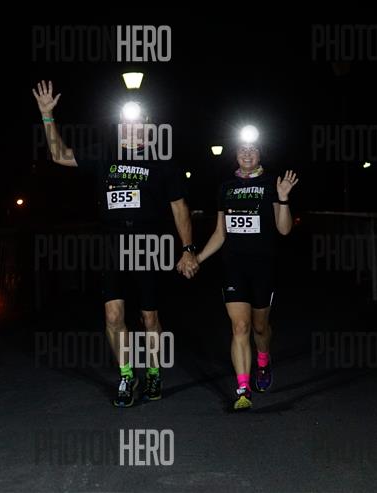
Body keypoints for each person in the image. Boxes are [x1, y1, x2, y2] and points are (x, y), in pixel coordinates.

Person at [32, 80, 199, 407]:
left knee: (149, 318)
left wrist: (188, 249)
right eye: (125, 123)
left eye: (137, 124)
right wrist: (47, 115)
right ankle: (126, 376)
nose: (131, 129)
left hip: (148, 243)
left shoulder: (162, 162)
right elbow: (59, 155)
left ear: (148, 127)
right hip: (112, 242)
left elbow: (180, 208)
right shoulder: (105, 154)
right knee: (112, 315)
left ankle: (153, 372)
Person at [194, 135, 298, 410]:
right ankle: (243, 388)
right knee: (240, 326)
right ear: (236, 154)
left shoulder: (272, 183)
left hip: (263, 265)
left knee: (260, 327)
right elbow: (220, 233)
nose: (248, 153)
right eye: (243, 149)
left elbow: (284, 229)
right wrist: (198, 258)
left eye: (253, 149)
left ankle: (263, 360)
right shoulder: (226, 187)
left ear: (260, 154)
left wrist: (284, 198)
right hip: (233, 266)